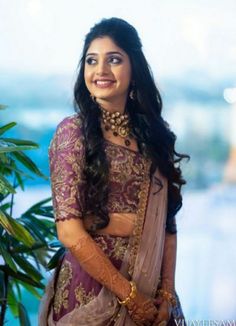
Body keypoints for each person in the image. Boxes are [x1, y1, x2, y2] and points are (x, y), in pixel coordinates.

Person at [39, 17, 188, 326]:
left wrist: (167, 293)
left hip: (153, 292)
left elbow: (167, 225)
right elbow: (69, 230)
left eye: (114, 59)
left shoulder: (153, 137)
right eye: (92, 61)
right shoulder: (74, 132)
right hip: (93, 291)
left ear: (134, 70)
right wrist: (130, 297)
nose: (101, 70)